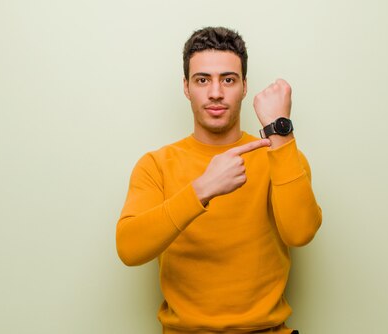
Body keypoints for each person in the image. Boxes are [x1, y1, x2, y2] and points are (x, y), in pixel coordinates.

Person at [116, 26, 322, 334]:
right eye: (202, 80)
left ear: (244, 86)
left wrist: (281, 131)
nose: (215, 92)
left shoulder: (279, 153)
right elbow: (129, 249)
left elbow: (301, 233)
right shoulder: (156, 165)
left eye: (228, 79)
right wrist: (202, 190)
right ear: (186, 87)